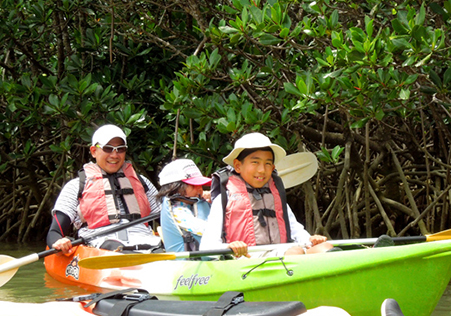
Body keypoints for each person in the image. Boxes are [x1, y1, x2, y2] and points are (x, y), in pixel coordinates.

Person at [199, 132, 333, 258]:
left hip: (280, 252)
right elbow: (206, 247)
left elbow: (296, 231)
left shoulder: (276, 198)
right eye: (255, 162)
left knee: (325, 248)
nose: (262, 170)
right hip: (245, 260)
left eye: (268, 163)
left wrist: (311, 240)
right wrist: (230, 246)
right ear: (238, 166)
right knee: (295, 252)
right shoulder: (225, 199)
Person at [46, 124, 161, 254]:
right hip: (100, 242)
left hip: (146, 241)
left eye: (120, 149)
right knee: (114, 247)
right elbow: (55, 232)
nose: (115, 155)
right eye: (108, 149)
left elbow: (165, 218)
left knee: (159, 247)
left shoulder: (142, 182)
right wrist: (60, 241)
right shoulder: (76, 186)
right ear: (94, 151)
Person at [157, 159, 212, 253]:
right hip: (188, 265)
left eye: (200, 186)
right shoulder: (177, 211)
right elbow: (207, 230)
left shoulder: (191, 205)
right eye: (194, 185)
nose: (200, 190)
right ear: (176, 188)